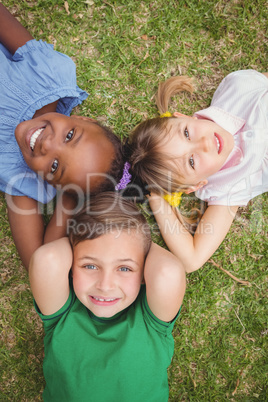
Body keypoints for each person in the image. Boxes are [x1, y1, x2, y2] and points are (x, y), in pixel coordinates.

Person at [29, 192, 186, 401]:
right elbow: (46, 259)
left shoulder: (151, 322)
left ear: (144, 272)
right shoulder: (62, 315)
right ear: (71, 267)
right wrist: (83, 237)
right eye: (90, 265)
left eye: (124, 268)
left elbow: (168, 272)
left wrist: (138, 240)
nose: (105, 285)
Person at [0, 4, 123, 269]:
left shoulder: (20, 177)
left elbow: (38, 265)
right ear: (82, 119)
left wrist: (68, 200)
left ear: (50, 183)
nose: (47, 144)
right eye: (70, 135)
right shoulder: (47, 77)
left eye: (55, 167)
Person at [127, 70, 268, 273]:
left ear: (184, 116)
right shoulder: (229, 186)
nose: (204, 144)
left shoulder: (237, 88)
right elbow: (191, 260)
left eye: (186, 133)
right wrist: (155, 196)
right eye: (191, 162)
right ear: (197, 185)